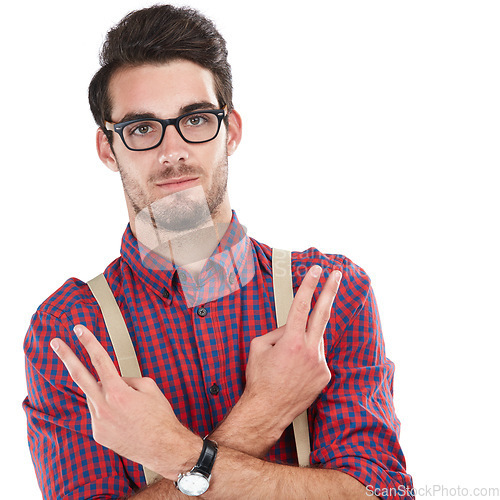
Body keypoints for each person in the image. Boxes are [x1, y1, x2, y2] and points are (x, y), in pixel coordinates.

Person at [23, 5, 414, 499]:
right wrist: (264, 412)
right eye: (142, 128)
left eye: (196, 119)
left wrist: (176, 453)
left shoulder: (328, 293)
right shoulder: (70, 331)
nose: (172, 151)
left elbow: (381, 495)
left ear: (230, 131)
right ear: (107, 148)